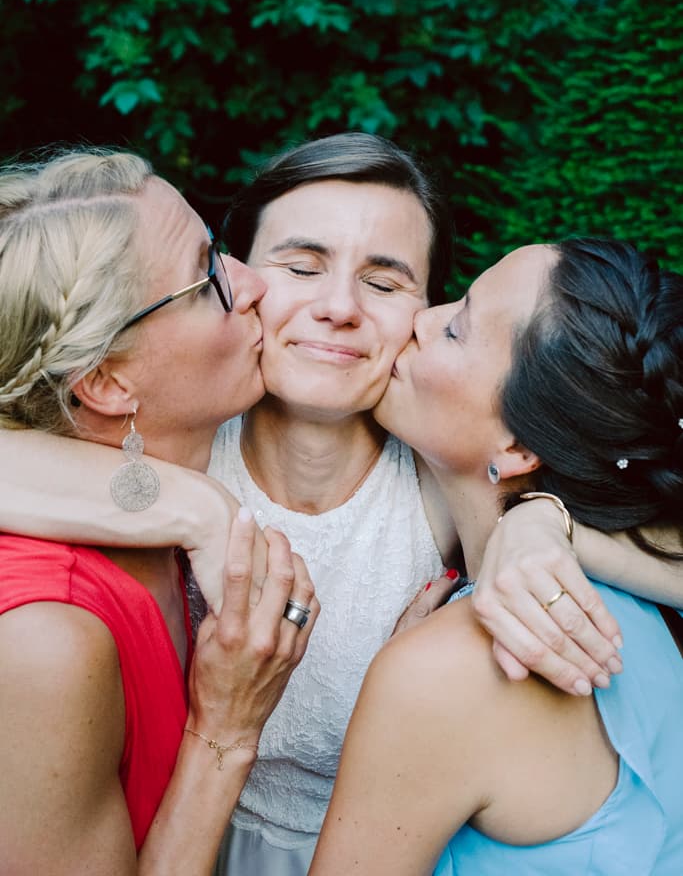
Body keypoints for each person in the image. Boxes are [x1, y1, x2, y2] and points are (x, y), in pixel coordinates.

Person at [1, 137, 682, 874]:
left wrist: (541, 520)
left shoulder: (442, 471)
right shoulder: (178, 438)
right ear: (253, 279)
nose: (338, 308)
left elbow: (618, 468)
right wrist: (191, 504)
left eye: (387, 284)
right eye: (297, 267)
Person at [310, 239, 683, 875]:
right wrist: (546, 520)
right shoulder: (649, 593)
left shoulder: (451, 669)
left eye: (455, 329)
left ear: (517, 449)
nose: (421, 320)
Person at [0, 148, 319, 875]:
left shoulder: (166, 517)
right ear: (108, 381)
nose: (254, 282)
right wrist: (227, 731)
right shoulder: (47, 641)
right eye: (209, 278)